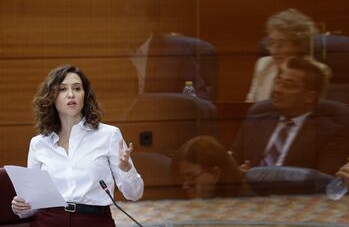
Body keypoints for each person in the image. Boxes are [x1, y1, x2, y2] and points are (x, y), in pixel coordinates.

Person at [11, 65, 144, 227]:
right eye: (62, 89)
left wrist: (127, 169)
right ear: (51, 97)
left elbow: (135, 195)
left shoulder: (108, 135)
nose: (71, 94)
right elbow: (33, 204)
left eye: (77, 88)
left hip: (93, 221)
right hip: (49, 221)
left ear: (85, 95)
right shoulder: (39, 143)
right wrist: (21, 206)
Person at [233, 57, 349, 175]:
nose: (277, 89)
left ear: (309, 97)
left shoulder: (330, 132)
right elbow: (234, 160)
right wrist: (238, 172)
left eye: (288, 85)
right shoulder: (257, 118)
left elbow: (324, 180)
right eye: (278, 81)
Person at [246, 8, 323, 102]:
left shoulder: (315, 72)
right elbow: (250, 104)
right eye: (271, 43)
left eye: (281, 45)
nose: (273, 51)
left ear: (300, 45)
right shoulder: (263, 64)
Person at [171, 136, 248, 198]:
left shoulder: (246, 206)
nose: (185, 187)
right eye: (182, 179)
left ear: (215, 174)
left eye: (191, 176)